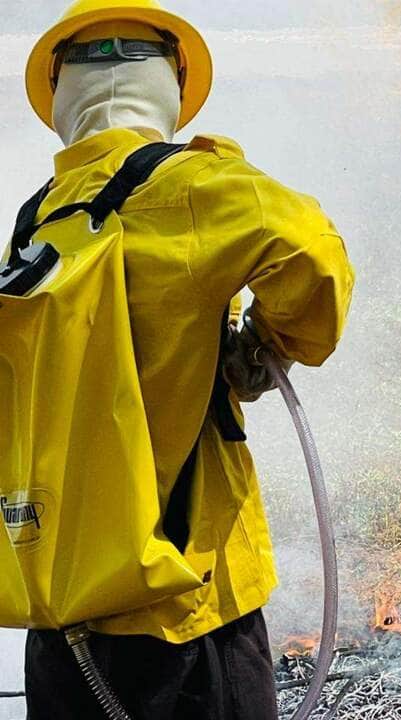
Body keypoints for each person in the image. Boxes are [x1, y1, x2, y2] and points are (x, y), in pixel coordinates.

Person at [17, 1, 355, 718]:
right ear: (169, 81)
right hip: (186, 619)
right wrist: (268, 346)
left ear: (60, 91)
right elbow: (312, 255)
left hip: (61, 616)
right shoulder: (187, 186)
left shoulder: (40, 219)